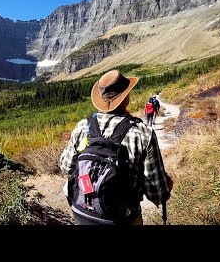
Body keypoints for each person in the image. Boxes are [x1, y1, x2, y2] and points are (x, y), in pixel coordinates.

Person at [59, 69, 172, 225]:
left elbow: (65, 167)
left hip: (82, 214)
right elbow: (158, 192)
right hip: (122, 218)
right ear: (125, 98)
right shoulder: (143, 133)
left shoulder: (83, 126)